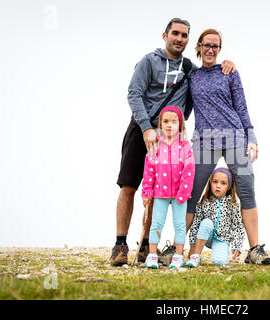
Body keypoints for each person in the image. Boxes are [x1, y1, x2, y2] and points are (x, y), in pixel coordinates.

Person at [110, 18, 235, 266]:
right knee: (129, 185)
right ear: (165, 34)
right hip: (142, 129)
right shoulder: (149, 61)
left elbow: (207, 74)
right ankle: (120, 244)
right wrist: (147, 128)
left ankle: (147, 245)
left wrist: (226, 64)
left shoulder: (189, 67)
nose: (179, 38)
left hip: (172, 136)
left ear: (189, 40)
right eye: (175, 33)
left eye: (184, 35)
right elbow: (133, 93)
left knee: (162, 189)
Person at [186, 29, 270, 265]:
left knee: (246, 189)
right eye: (207, 45)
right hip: (204, 141)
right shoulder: (191, 76)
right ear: (199, 45)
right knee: (191, 193)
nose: (211, 50)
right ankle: (177, 249)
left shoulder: (230, 72)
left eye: (216, 46)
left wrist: (251, 137)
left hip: (235, 138)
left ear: (220, 49)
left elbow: (242, 106)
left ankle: (254, 249)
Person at [141, 106, 195, 269]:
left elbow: (189, 169)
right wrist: (147, 191)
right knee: (156, 223)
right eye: (165, 121)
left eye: (173, 122)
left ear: (180, 125)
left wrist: (184, 192)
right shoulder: (156, 146)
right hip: (160, 193)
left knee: (179, 224)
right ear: (160, 124)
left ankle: (178, 255)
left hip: (180, 194)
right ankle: (151, 255)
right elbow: (149, 171)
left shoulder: (185, 146)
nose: (169, 125)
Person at [187, 168, 245, 267]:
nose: (218, 186)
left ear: (229, 186)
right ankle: (196, 256)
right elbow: (195, 224)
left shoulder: (233, 204)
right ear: (210, 183)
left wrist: (236, 245)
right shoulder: (205, 201)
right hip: (206, 235)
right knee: (206, 223)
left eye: (223, 183)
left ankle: (220, 253)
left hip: (222, 238)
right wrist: (193, 243)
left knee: (220, 262)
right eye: (215, 182)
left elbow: (238, 226)